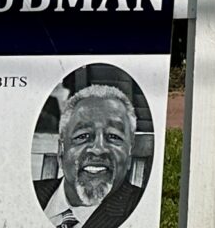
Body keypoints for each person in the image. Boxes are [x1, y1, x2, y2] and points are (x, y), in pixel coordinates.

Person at [38, 85, 143, 228]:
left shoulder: (141, 208)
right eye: (83, 136)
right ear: (61, 151)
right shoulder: (22, 194)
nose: (98, 149)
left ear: (129, 153)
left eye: (113, 136)